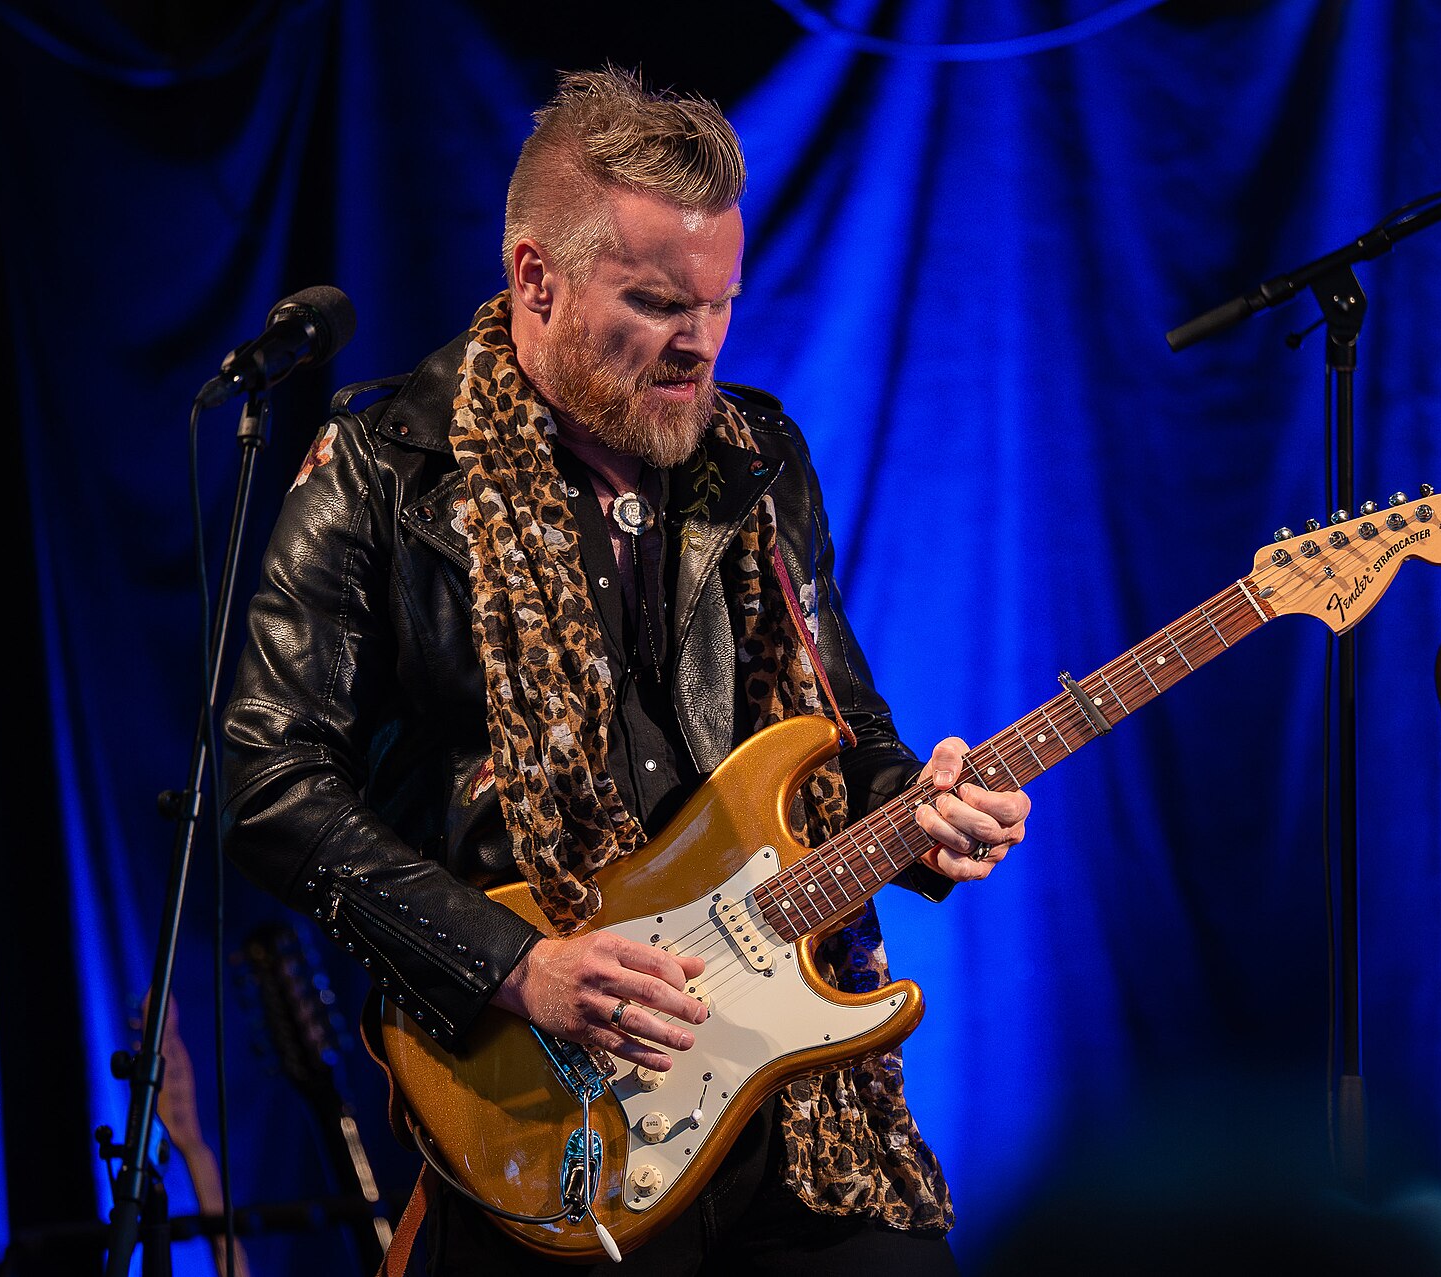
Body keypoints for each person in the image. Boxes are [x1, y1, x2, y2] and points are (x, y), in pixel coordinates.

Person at [221, 67, 1030, 1275]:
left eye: (720, 302)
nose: (698, 342)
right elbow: (269, 781)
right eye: (655, 302)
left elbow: (846, 730)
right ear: (535, 277)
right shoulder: (384, 468)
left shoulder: (759, 458)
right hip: (551, 1097)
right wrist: (516, 966)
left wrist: (921, 805)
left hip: (789, 1093)